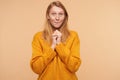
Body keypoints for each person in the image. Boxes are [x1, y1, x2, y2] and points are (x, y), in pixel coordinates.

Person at [30, 1, 81, 80]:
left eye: (61, 14)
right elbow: (36, 68)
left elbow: (74, 66)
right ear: (48, 16)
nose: (57, 18)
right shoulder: (38, 37)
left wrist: (59, 45)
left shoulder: (73, 36)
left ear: (65, 17)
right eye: (53, 14)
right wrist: (52, 46)